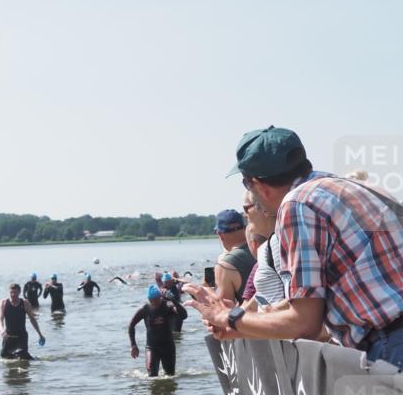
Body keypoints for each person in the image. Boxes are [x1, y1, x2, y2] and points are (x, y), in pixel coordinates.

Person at [186, 126, 403, 369]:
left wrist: (228, 316)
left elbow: (304, 323)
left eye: (246, 184)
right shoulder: (355, 187)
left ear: (259, 185)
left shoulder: (298, 204)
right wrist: (242, 325)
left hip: (393, 343)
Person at [128, 285, 182, 377]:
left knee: (170, 376)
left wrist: (173, 300)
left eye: (156, 299)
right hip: (152, 348)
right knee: (152, 376)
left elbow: (183, 315)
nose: (154, 302)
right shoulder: (145, 309)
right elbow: (131, 325)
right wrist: (133, 345)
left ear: (160, 297)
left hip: (168, 347)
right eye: (151, 300)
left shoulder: (168, 306)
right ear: (148, 299)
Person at [212, 209, 256, 304]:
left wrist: (206, 291)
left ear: (220, 235)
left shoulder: (226, 265)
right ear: (245, 228)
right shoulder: (262, 248)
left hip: (249, 317)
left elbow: (224, 310)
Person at [0, 283, 45, 359]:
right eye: (11, 292)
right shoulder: (4, 303)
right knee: (4, 356)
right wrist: (2, 331)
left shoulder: (25, 303)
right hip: (8, 336)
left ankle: (33, 360)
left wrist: (40, 334)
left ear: (19, 292)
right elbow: (0, 319)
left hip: (21, 336)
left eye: (15, 292)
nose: (13, 294)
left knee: (22, 355)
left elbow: (32, 319)